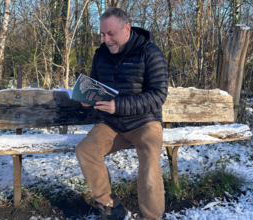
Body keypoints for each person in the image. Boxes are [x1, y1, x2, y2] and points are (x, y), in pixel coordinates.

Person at [75, 7, 168, 220]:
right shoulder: (101, 55)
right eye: (103, 34)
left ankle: (152, 217)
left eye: (111, 34)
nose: (106, 39)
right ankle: (111, 208)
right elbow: (95, 87)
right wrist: (87, 100)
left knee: (150, 164)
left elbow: (158, 95)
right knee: (85, 150)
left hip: (145, 123)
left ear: (127, 28)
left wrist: (119, 105)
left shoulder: (150, 53)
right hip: (112, 124)